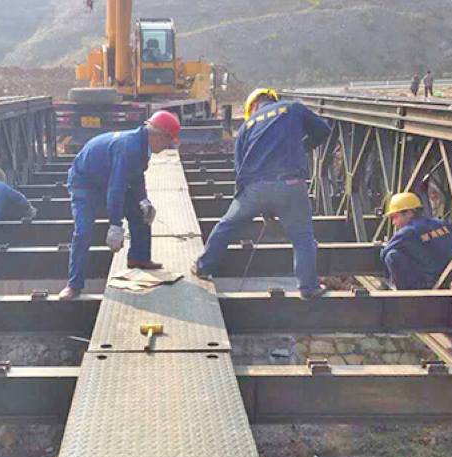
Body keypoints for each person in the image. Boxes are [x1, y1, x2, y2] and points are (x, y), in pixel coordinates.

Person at [192, 87, 331, 300]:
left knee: (226, 226)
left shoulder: (246, 127)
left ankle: (203, 267)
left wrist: (246, 201)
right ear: (272, 99)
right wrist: (303, 147)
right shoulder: (292, 108)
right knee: (302, 238)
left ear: (252, 107)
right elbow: (323, 130)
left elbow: (239, 170)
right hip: (291, 184)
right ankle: (308, 287)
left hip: (255, 189)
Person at [59, 110, 181, 300]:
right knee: (83, 231)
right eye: (168, 141)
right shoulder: (130, 148)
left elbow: (136, 176)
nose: (167, 147)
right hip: (85, 184)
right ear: (158, 135)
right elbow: (116, 189)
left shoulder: (141, 146)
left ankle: (138, 257)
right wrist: (115, 225)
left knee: (141, 213)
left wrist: (143, 200)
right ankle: (74, 285)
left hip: (106, 177)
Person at [380, 192, 452, 289]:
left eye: (395, 217)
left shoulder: (407, 232)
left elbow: (383, 254)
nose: (393, 223)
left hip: (427, 283)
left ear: (409, 213)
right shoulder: (441, 223)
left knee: (391, 255)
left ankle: (408, 293)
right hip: (449, 277)